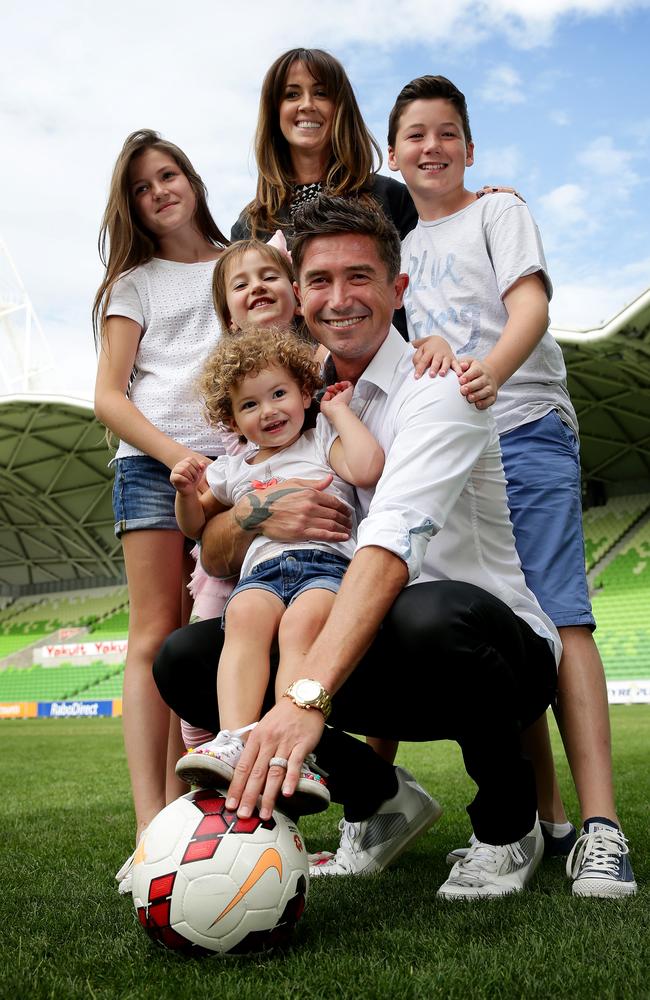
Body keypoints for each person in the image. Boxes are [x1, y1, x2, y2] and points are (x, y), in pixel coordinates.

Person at [154, 196, 562, 900]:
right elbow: (216, 550)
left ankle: (508, 826)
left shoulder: (441, 386)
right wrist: (253, 514)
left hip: (486, 656)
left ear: (398, 290)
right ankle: (381, 805)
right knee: (188, 658)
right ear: (300, 299)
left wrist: (307, 695)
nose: (338, 299)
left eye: (359, 277)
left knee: (430, 613)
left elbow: (392, 543)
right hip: (372, 655)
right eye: (319, 281)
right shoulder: (298, 406)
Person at [386, 74, 636, 897]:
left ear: (469, 147)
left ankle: (601, 828)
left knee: (559, 610)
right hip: (454, 450)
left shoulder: (499, 211)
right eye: (416, 133)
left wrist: (489, 372)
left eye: (447, 132)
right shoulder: (396, 253)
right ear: (395, 152)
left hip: (523, 424)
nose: (432, 146)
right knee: (502, 620)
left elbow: (528, 306)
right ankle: (545, 817)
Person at [169, 324, 384, 813]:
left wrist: (337, 411)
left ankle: (294, 746)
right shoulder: (234, 466)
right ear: (233, 418)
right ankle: (234, 739)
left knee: (300, 625)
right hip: (261, 572)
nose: (267, 411)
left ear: (305, 392)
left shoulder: (320, 438)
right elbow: (197, 525)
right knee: (243, 621)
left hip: (326, 567)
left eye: (279, 394)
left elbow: (368, 467)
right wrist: (185, 494)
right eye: (249, 404)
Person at [92, 129, 229, 894]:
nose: (158, 192)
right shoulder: (132, 284)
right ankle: (154, 828)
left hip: (239, 466)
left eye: (168, 175)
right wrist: (175, 453)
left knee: (227, 631)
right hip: (153, 466)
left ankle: (229, 809)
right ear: (133, 206)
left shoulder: (243, 256)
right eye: (142, 187)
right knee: (155, 634)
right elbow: (109, 395)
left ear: (192, 178)